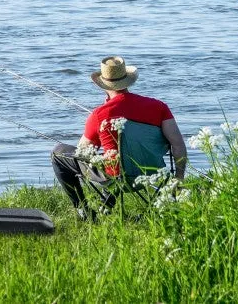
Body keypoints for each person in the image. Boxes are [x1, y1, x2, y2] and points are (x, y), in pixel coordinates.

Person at [51, 56, 187, 220]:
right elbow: (178, 145)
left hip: (115, 178)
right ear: (127, 81)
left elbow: (83, 152)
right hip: (152, 173)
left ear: (103, 85)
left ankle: (84, 211)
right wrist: (178, 178)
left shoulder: (100, 114)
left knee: (58, 153)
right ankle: (105, 206)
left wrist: (100, 119)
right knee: (114, 156)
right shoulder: (159, 107)